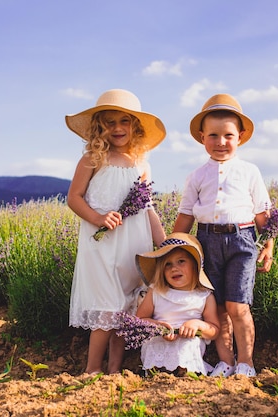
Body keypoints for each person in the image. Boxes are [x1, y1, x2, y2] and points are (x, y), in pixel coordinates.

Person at [66, 88, 167, 375]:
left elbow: (148, 208)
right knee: (107, 308)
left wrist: (164, 245)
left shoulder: (141, 165)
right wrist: (97, 218)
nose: (118, 128)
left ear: (134, 126)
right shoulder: (92, 159)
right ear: (100, 126)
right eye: (110, 122)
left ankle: (114, 371)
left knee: (124, 309)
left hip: (132, 244)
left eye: (124, 121)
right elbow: (74, 197)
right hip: (101, 244)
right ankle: (91, 369)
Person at [173, 93, 274, 377]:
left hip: (242, 242)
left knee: (237, 305)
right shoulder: (196, 176)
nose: (220, 142)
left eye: (228, 135)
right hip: (206, 243)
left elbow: (264, 216)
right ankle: (226, 362)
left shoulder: (249, 172)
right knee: (216, 308)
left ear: (240, 137)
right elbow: (186, 215)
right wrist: (169, 250)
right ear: (202, 137)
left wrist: (268, 246)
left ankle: (247, 363)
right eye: (213, 136)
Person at [135, 232, 220, 376]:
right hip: (160, 338)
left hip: (187, 340)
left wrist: (197, 325)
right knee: (153, 344)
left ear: (195, 266)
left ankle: (184, 373)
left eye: (181, 261)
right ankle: (155, 371)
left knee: (188, 345)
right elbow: (139, 320)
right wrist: (157, 327)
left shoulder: (203, 296)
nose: (174, 268)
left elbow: (214, 330)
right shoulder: (156, 291)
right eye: (168, 264)